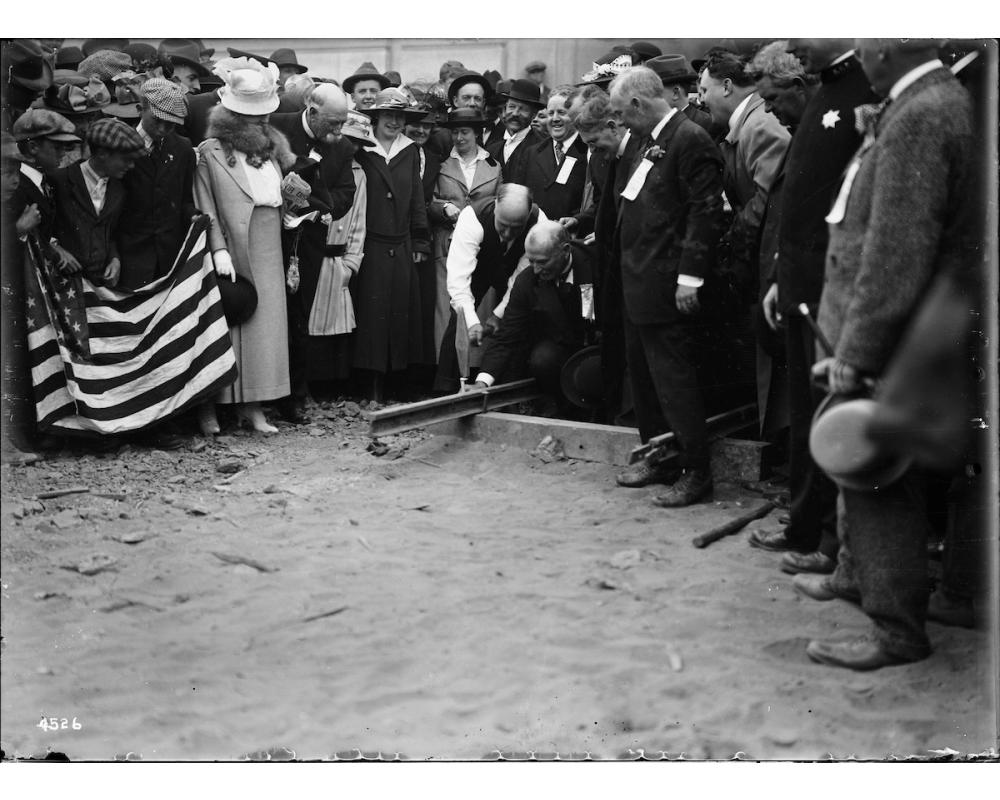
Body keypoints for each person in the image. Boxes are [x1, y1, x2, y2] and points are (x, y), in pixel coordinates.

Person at [800, 39, 976, 670]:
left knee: (876, 476)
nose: (860, 54)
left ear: (888, 49)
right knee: (862, 471)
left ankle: (895, 629)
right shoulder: (919, 104)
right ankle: (856, 575)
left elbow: (896, 251)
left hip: (895, 337)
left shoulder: (924, 113)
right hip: (896, 330)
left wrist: (858, 350)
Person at [749, 39, 876, 575]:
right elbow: (799, 205)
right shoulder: (824, 97)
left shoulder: (859, 95)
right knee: (807, 414)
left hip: (832, 287)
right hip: (802, 284)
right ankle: (806, 525)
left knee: (830, 418)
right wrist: (780, 276)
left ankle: (828, 539)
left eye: (777, 97)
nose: (772, 110)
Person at [608, 67, 724, 507]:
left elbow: (706, 213)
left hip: (666, 284)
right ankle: (662, 458)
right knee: (647, 384)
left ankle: (696, 472)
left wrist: (690, 277)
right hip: (639, 282)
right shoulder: (647, 138)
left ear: (638, 105)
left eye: (622, 114)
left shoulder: (689, 138)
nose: (620, 123)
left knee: (674, 383)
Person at [193, 57, 297, 435]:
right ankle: (215, 407)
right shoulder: (211, 152)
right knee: (228, 323)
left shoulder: (272, 149)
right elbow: (206, 204)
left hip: (270, 239)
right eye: (255, 117)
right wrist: (218, 249)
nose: (263, 121)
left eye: (264, 115)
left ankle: (254, 405)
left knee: (264, 327)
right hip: (233, 243)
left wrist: (292, 212)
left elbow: (274, 196)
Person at [270, 83, 358, 422]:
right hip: (268, 235)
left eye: (342, 122)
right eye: (333, 123)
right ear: (312, 109)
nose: (338, 130)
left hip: (307, 243)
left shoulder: (344, 146)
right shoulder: (278, 125)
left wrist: (316, 209)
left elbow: (345, 193)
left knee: (299, 316)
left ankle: (294, 396)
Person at [352, 88, 432, 400]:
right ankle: (371, 383)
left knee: (399, 312)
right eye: (389, 116)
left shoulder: (409, 150)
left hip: (401, 243)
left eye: (400, 117)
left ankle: (396, 382)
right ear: (377, 118)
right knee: (371, 314)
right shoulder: (363, 147)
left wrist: (420, 240)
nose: (394, 122)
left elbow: (416, 197)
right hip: (370, 243)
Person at [433, 183, 546, 393]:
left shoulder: (539, 222)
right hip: (480, 266)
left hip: (515, 270)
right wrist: (472, 322)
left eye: (516, 227)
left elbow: (519, 280)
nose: (508, 233)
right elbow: (458, 281)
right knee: (459, 317)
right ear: (495, 206)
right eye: (503, 225)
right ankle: (446, 387)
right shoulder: (471, 218)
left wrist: (498, 314)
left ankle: (506, 388)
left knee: (515, 318)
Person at [698, 50, 790, 304]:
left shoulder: (759, 125)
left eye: (704, 90)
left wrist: (734, 235)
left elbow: (770, 198)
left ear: (727, 86)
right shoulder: (751, 123)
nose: (701, 100)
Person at [472, 220, 595, 410]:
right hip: (559, 349)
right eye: (531, 262)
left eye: (543, 262)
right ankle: (558, 407)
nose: (536, 269)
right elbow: (507, 337)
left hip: (598, 348)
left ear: (565, 250)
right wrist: (482, 382)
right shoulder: (527, 281)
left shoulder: (596, 263)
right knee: (542, 359)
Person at [573, 90, 639, 425]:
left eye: (597, 142)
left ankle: (629, 414)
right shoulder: (603, 156)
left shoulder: (639, 153)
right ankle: (614, 409)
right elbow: (604, 204)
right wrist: (589, 224)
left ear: (614, 126)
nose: (594, 151)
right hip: (610, 261)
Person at [427, 107, 502, 359]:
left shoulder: (493, 166)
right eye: (455, 132)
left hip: (483, 246)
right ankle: (445, 368)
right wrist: (443, 207)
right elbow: (428, 201)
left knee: (479, 302)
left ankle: (475, 366)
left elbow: (500, 204)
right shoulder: (440, 165)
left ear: (477, 133)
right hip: (446, 243)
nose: (459, 138)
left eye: (465, 132)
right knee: (447, 304)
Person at [116, 78, 197, 290]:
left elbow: (184, 198)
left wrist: (194, 215)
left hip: (170, 256)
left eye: (170, 124)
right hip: (129, 255)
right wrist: (112, 254)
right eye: (157, 120)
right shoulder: (118, 145)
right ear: (139, 109)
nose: (162, 128)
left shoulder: (183, 149)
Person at [50, 117, 145, 287]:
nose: (131, 166)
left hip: (98, 286)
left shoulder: (119, 190)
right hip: (62, 283)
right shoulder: (59, 181)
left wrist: (114, 259)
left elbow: (112, 233)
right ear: (102, 153)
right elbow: (40, 230)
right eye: (126, 159)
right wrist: (55, 249)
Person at [524, 86, 589, 221]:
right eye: (550, 113)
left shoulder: (588, 150)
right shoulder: (532, 153)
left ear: (575, 115)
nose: (555, 119)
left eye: (561, 112)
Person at [486, 78, 545, 185]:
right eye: (512, 107)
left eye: (523, 109)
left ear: (534, 114)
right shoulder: (492, 148)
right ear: (505, 109)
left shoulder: (541, 148)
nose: (515, 113)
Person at [645, 54, 713, 133]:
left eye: (656, 93)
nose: (649, 100)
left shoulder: (703, 123)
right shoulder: (657, 124)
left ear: (675, 93)